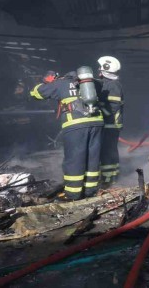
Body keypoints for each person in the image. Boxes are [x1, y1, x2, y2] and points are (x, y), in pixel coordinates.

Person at [30, 70, 104, 201]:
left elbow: (36, 93)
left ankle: (73, 194)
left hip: (76, 124)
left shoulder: (60, 83)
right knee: (92, 157)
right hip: (97, 122)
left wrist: (47, 82)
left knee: (74, 158)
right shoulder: (93, 83)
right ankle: (90, 191)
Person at [96, 56, 123, 186]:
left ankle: (108, 179)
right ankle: (112, 176)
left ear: (104, 70)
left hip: (111, 124)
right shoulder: (108, 84)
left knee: (107, 152)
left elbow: (113, 107)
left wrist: (98, 106)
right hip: (110, 124)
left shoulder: (113, 85)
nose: (98, 70)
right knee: (110, 151)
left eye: (100, 69)